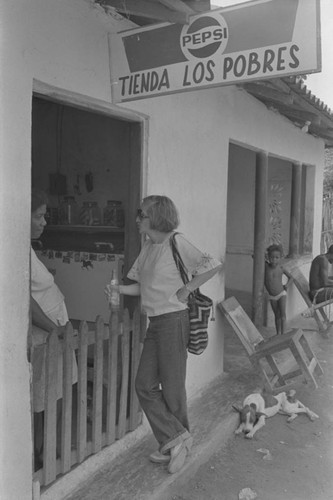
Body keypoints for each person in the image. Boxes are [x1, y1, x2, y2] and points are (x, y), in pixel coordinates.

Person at [107, 195, 223, 474]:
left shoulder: (176, 241)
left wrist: (186, 289)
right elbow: (142, 287)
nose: (137, 218)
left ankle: (177, 442)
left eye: (142, 213)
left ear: (157, 216)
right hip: (156, 323)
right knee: (144, 385)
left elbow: (213, 265)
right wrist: (118, 290)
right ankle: (177, 438)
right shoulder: (148, 247)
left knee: (172, 387)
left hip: (174, 321)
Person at [30, 188, 77, 469]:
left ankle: (49, 449)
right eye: (38, 216)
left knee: (58, 391)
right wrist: (54, 329)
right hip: (46, 336)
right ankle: (41, 455)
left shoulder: (27, 248)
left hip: (56, 332)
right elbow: (25, 303)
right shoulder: (13, 251)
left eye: (44, 216)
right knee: (43, 398)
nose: (44, 222)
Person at [264, 244, 287, 335]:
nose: (274, 260)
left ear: (280, 258)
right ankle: (278, 334)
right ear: (268, 257)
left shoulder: (281, 268)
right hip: (272, 296)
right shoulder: (266, 266)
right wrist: (264, 256)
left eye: (277, 257)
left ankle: (283, 334)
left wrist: (287, 286)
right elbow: (254, 256)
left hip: (281, 294)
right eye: (272, 257)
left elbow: (291, 278)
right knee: (276, 315)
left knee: (282, 315)